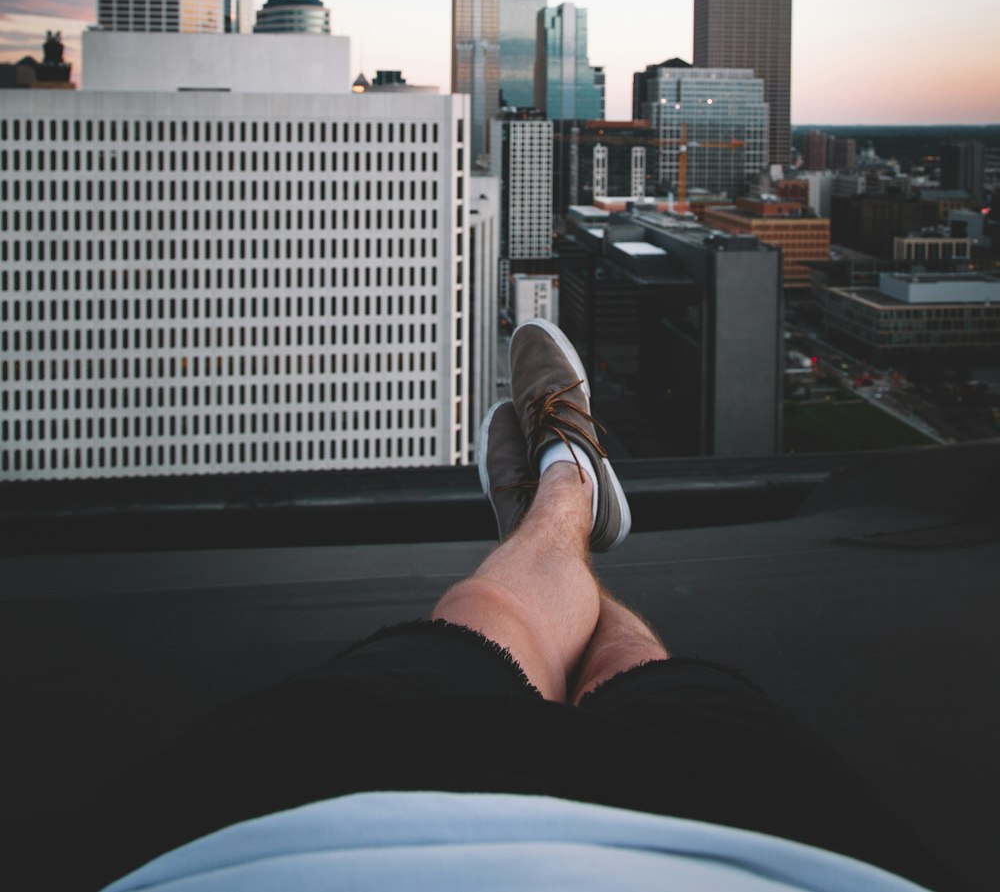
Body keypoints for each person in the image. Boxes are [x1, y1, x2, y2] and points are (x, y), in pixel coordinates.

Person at [79, 320, 940, 891]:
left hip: (266, 836)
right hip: (774, 849)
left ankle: (552, 510)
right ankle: (565, 489)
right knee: (645, 678)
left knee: (473, 632)